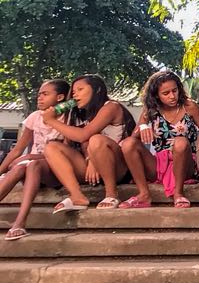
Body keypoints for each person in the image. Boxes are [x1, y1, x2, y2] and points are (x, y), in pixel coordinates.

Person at [41, 74, 138, 213]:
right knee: (52, 147)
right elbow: (82, 143)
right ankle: (77, 196)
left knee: (96, 139)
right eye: (74, 92)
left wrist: (51, 121)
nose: (75, 95)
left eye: (80, 89)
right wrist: (90, 159)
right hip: (92, 168)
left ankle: (111, 194)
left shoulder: (111, 107)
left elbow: (84, 136)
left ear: (97, 90)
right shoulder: (83, 114)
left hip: (117, 167)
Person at [119, 71, 199, 209]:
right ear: (156, 95)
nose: (172, 96)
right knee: (128, 144)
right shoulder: (151, 110)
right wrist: (143, 126)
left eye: (174, 91)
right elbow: (133, 138)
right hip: (159, 163)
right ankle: (144, 194)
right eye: (166, 93)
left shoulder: (190, 107)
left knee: (180, 142)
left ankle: (178, 194)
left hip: (184, 163)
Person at [1, 79, 71, 240]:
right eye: (39, 94)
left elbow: (67, 152)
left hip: (54, 171)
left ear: (60, 97)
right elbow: (18, 149)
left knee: (32, 163)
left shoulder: (68, 118)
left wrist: (30, 156)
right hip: (28, 168)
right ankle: (18, 224)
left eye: (45, 94)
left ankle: (20, 222)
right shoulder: (35, 117)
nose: (39, 98)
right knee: (22, 167)